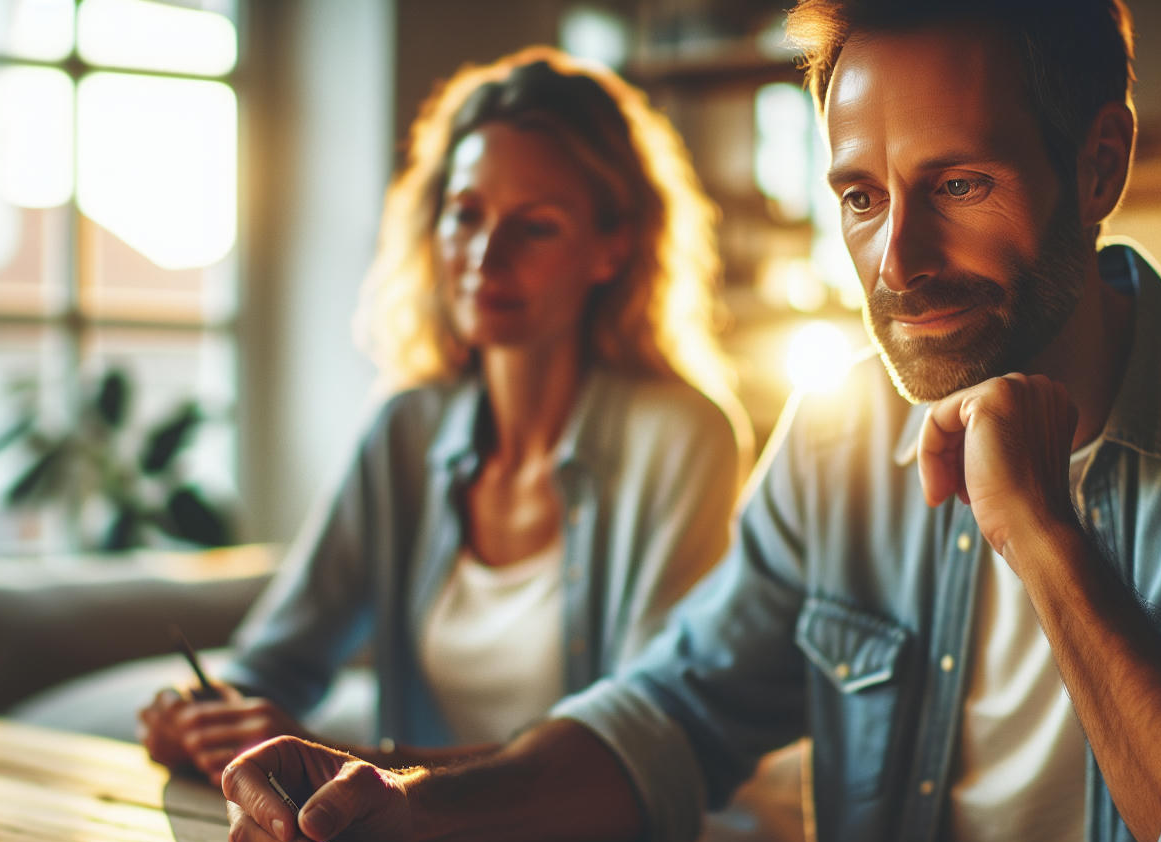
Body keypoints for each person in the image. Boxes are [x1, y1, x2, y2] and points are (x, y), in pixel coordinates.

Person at [219, 0, 1161, 842]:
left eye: (958, 184)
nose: (897, 261)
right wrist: (418, 814)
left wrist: (1046, 537)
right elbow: (668, 714)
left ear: (1096, 162)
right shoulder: (836, 435)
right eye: (860, 196)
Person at [139, 47, 749, 779]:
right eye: (465, 215)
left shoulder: (683, 437)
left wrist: (365, 769)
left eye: (536, 226)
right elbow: (279, 660)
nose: (484, 257)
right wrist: (208, 713)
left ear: (611, 248)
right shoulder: (406, 428)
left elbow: (644, 734)